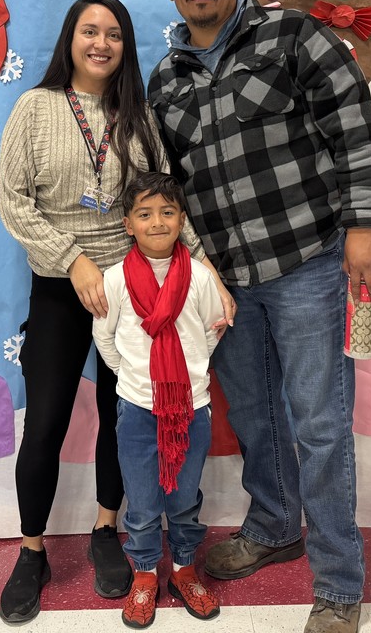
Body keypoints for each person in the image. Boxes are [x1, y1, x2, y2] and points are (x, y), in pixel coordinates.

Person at [148, 0, 371, 633]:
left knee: (318, 427)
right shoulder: (167, 78)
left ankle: (339, 582)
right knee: (254, 419)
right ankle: (276, 525)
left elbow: (353, 126)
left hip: (309, 267)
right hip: (227, 285)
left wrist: (362, 223)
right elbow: (168, 185)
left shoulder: (292, 37)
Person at [0, 0, 234, 626]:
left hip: (133, 286)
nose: (101, 43)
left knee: (121, 414)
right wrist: (72, 259)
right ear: (70, 40)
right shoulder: (35, 108)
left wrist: (203, 264)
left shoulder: (137, 113)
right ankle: (32, 549)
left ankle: (108, 529)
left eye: (114, 35)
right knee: (44, 420)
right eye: (89, 31)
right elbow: (13, 202)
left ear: (125, 48)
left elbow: (163, 198)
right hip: (63, 286)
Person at [92, 171, 222, 629]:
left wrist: (185, 378)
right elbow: (104, 340)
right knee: (144, 503)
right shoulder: (114, 280)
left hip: (192, 408)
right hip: (136, 411)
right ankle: (145, 572)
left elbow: (209, 331)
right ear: (128, 224)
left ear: (181, 219)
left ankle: (184, 568)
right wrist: (137, 381)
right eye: (145, 214)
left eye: (168, 212)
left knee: (185, 498)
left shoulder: (201, 278)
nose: (157, 222)